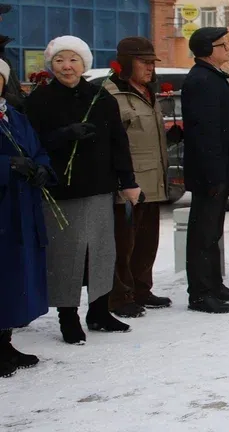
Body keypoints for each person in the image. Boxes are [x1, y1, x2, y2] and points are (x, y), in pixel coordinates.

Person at [25, 35, 141, 341]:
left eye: (73, 60)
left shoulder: (101, 97)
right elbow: (31, 145)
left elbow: (119, 141)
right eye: (60, 60)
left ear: (84, 64)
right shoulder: (39, 100)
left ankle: (100, 311)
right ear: (51, 64)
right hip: (61, 190)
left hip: (100, 186)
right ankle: (68, 316)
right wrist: (63, 135)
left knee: (102, 252)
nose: (67, 66)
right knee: (67, 255)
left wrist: (128, 181)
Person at [103, 37, 179, 317]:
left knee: (147, 242)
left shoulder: (148, 92)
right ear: (125, 64)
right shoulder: (111, 93)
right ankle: (119, 297)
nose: (150, 68)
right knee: (124, 244)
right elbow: (112, 142)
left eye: (152, 63)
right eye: (143, 62)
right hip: (129, 183)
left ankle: (141, 289)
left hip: (154, 179)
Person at [181, 27, 229, 314]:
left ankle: (213, 284)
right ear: (209, 49)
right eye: (223, 45)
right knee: (203, 233)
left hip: (218, 170)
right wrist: (214, 175)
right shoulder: (201, 80)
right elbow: (205, 133)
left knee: (212, 232)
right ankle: (200, 293)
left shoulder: (210, 77)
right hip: (210, 174)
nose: (227, 49)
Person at [0, 56, 54, 375]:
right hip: (3, 207)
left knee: (15, 277)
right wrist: (6, 166)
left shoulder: (14, 116)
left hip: (21, 208)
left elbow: (37, 149)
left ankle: (5, 342)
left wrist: (43, 169)